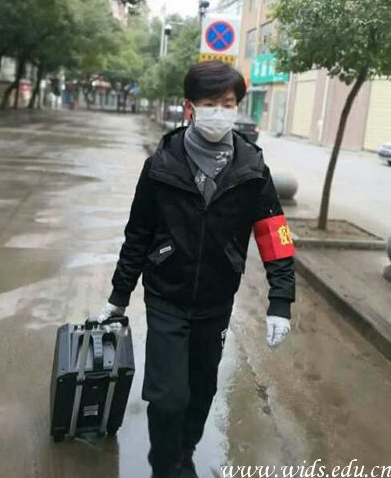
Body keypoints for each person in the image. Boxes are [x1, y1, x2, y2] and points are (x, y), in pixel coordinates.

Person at [98, 60, 296, 478]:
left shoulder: (252, 170)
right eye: (210, 103)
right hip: (166, 295)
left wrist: (280, 300)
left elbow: (274, 236)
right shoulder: (161, 165)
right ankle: (162, 463)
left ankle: (184, 452)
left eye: (228, 104)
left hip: (216, 300)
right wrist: (119, 296)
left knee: (202, 388)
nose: (219, 112)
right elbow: (138, 234)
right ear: (190, 107)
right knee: (168, 395)